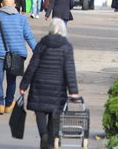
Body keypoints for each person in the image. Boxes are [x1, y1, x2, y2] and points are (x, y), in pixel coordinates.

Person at [20, 18, 79, 149]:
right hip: (58, 85)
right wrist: (73, 91)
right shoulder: (66, 46)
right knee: (55, 112)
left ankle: (44, 135)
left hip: (39, 83)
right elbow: (69, 69)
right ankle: (51, 141)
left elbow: (32, 65)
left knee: (40, 111)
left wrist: (24, 85)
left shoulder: (42, 44)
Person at [0, 0, 36, 115]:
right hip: (17, 55)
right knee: (12, 80)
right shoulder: (22, 19)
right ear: (14, 5)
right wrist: (38, 51)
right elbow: (28, 36)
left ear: (2, 5)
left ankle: (0, 104)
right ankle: (9, 104)